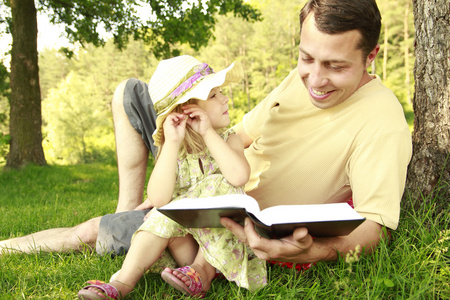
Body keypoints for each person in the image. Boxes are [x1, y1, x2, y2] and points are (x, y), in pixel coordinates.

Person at [1, 0, 412, 278]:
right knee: (130, 94)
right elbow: (244, 135)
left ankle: (8, 247)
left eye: (335, 66)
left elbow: (378, 228)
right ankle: (132, 205)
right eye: (307, 58)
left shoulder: (381, 120)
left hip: (226, 224)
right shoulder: (298, 80)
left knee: (90, 231)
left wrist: (316, 252)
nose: (316, 79)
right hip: (211, 184)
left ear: (371, 55)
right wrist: (197, 171)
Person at [77, 55, 266, 300]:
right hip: (186, 247)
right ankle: (122, 284)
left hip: (223, 249)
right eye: (213, 95)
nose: (225, 98)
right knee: (161, 213)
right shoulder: (174, 150)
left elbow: (238, 177)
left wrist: (208, 132)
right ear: (187, 109)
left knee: (217, 183)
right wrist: (172, 143)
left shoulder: (228, 139)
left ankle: (203, 274)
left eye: (220, 92)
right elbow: (158, 198)